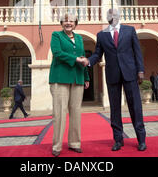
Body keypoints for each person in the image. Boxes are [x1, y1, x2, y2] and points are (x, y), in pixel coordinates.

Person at [81, 8, 146, 152]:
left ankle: (141, 139)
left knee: (135, 107)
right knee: (115, 109)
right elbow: (97, 54)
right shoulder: (102, 35)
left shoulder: (129, 30)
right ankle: (118, 140)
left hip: (130, 74)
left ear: (119, 16)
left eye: (115, 14)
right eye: (110, 14)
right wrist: (88, 61)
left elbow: (137, 51)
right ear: (107, 17)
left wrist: (140, 70)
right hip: (112, 75)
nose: (112, 16)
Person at [49, 13, 90, 157]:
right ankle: (57, 146)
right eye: (66, 20)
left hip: (77, 78)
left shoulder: (79, 38)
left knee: (76, 112)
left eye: (71, 21)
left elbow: (83, 56)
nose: (68, 23)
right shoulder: (56, 35)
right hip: (60, 78)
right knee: (59, 113)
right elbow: (57, 53)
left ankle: (74, 143)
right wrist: (76, 59)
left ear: (75, 23)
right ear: (61, 23)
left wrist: (86, 77)